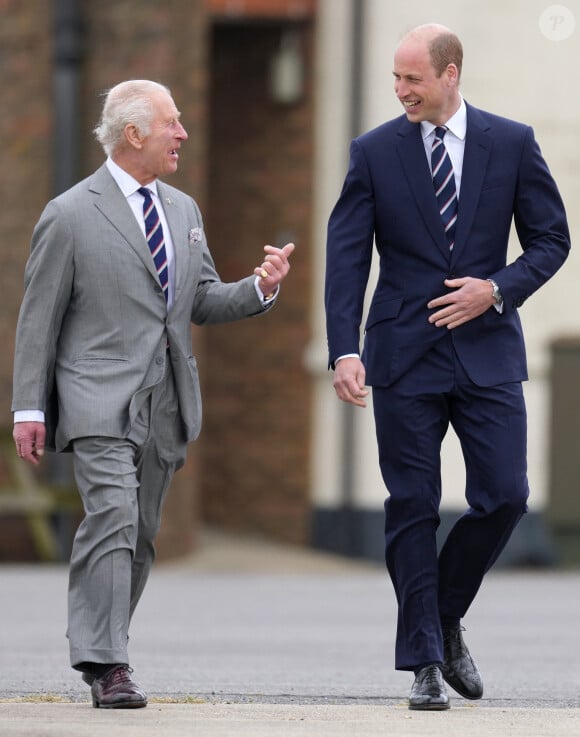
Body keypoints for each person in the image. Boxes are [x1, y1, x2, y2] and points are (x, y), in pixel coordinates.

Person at [12, 79, 294, 709]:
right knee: (110, 517)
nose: (183, 134)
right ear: (133, 133)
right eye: (173, 123)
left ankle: (104, 644)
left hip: (165, 402)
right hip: (96, 399)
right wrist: (28, 407)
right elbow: (39, 319)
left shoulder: (185, 211)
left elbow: (200, 300)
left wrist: (260, 286)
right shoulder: (69, 214)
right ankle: (108, 662)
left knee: (138, 533)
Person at [325, 24, 569, 710]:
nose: (401, 91)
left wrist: (497, 288)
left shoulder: (512, 143)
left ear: (451, 74)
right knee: (411, 505)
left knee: (506, 494)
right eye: (396, 80)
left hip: (488, 350)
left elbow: (553, 239)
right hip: (401, 356)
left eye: (413, 79)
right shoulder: (373, 153)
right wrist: (344, 348)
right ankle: (425, 658)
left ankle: (444, 613)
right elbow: (346, 257)